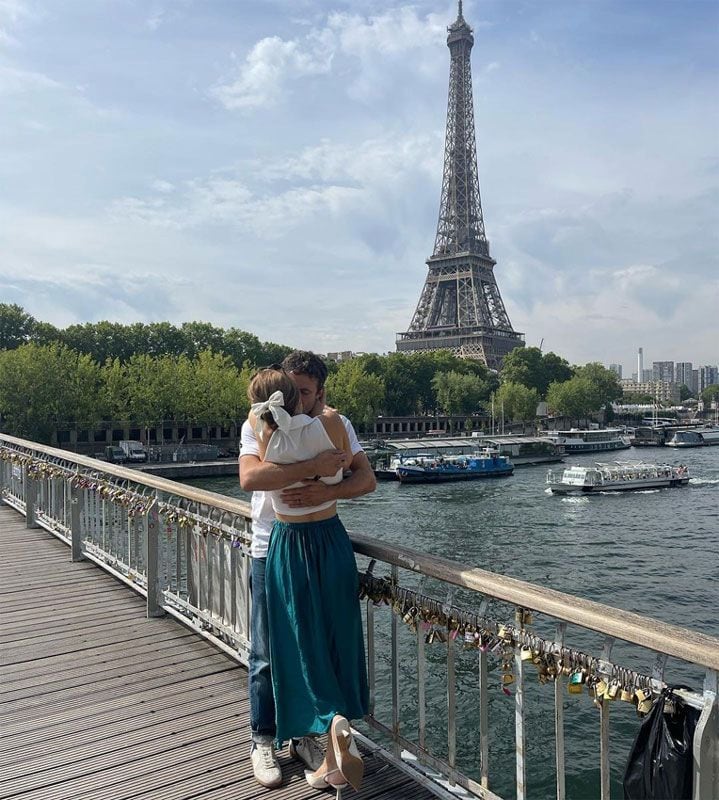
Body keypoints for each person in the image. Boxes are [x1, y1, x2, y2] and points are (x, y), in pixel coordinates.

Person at [239, 352, 376, 789]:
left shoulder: (318, 422)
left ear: (320, 392)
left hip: (292, 542)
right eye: (286, 389)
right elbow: (249, 478)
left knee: (307, 647)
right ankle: (267, 737)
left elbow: (366, 480)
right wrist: (316, 470)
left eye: (301, 392)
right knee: (272, 652)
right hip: (285, 545)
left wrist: (315, 485)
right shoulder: (263, 421)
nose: (290, 399)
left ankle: (312, 733)